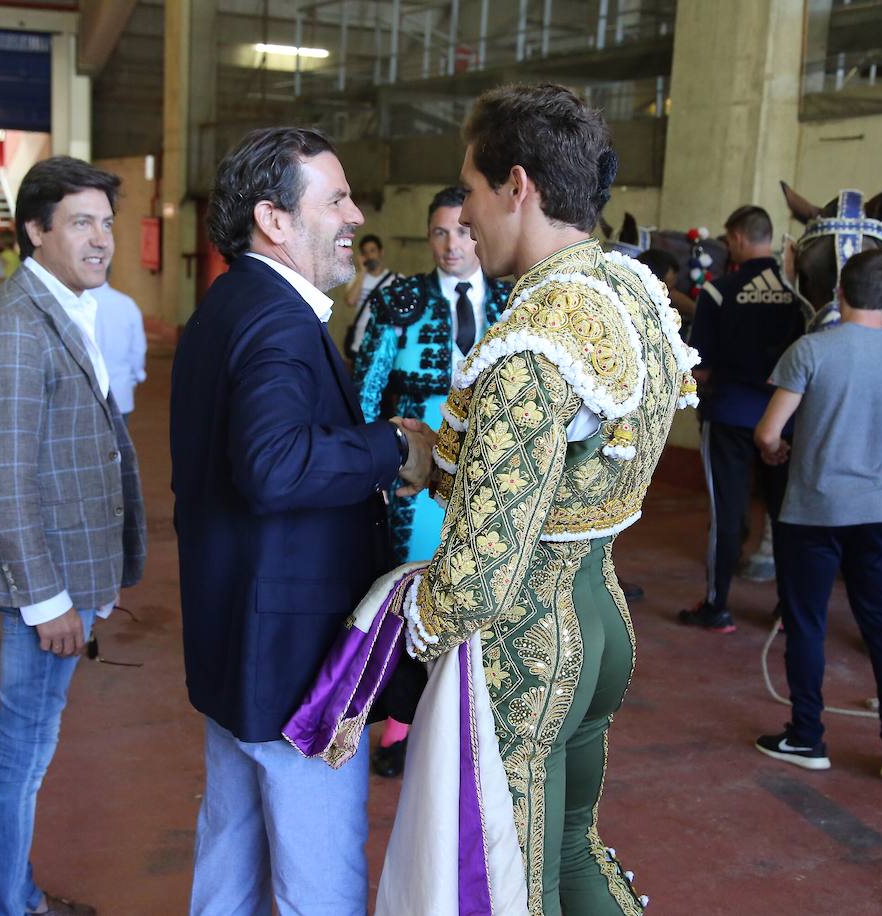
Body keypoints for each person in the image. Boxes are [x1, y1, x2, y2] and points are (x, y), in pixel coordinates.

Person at [316, 83, 698, 914]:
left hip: (527, 647)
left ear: (516, 186)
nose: (467, 214)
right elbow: (570, 473)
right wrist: (438, 464)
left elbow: (481, 572)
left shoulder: (535, 338)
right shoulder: (626, 290)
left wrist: (398, 636)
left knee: (512, 884)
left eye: (473, 191)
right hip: (597, 613)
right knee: (571, 850)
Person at [170, 126, 434, 915]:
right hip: (290, 664)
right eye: (338, 198)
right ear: (274, 220)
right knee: (318, 879)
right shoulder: (280, 319)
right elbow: (274, 464)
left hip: (241, 644)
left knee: (231, 854)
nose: (355, 214)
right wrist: (390, 447)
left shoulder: (231, 303)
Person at [0, 156, 146, 916]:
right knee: (23, 754)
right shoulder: (14, 327)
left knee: (29, 746)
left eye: (106, 222)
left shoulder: (64, 307)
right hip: (49, 586)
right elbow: (3, 482)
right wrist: (46, 603)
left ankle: (7, 895)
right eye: (80, 222)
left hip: (71, 575)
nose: (100, 239)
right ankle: (5, 904)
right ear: (35, 230)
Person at [352, 185, 511, 778]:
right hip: (416, 470)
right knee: (413, 591)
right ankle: (399, 720)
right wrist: (370, 467)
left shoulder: (513, 298)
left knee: (482, 586)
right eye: (439, 233)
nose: (451, 245)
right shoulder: (400, 299)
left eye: (461, 231)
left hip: (490, 464)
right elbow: (368, 386)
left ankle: (471, 723)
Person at [753, 248, 882, 780]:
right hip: (876, 511)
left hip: (811, 511)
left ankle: (807, 737)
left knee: (806, 623)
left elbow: (767, 432)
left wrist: (776, 451)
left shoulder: (810, 350)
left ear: (838, 293)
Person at [679, 205, 807, 633]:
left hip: (730, 414)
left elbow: (701, 365)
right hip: (784, 419)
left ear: (735, 238)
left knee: (727, 512)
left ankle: (717, 607)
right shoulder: (798, 294)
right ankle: (789, 608)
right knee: (786, 513)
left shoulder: (720, 291)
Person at [89, 282, 146, 418]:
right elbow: (138, 350)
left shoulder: (72, 303)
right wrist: (136, 376)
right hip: (120, 392)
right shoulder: (126, 304)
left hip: (84, 396)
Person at [342, 233, 396, 361]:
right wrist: (362, 271)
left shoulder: (395, 280)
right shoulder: (357, 279)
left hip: (386, 344)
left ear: (381, 252)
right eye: (365, 253)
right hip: (360, 343)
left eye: (373, 251)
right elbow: (350, 301)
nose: (370, 256)